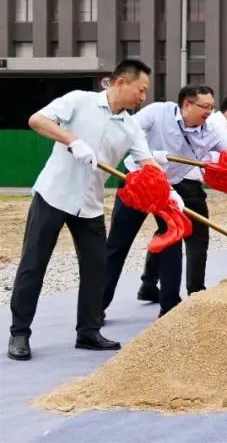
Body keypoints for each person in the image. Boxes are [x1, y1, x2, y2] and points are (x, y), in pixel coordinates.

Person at [102, 85, 227, 318]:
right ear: (187, 105)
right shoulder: (158, 112)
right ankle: (96, 309)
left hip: (170, 187)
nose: (209, 112)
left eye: (212, 107)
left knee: (173, 239)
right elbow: (128, 132)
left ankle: (170, 308)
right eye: (205, 107)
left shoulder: (211, 130)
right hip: (137, 181)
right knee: (118, 244)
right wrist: (149, 155)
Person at [8, 60, 157, 361]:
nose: (143, 97)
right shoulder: (79, 101)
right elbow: (37, 120)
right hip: (54, 195)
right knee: (34, 264)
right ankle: (19, 333)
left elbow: (148, 164)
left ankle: (88, 331)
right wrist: (72, 140)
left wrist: (169, 194)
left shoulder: (131, 127)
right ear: (120, 83)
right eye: (140, 90)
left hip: (89, 204)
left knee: (96, 268)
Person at [137, 91, 227, 303]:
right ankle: (196, 292)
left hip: (178, 181)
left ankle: (148, 283)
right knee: (197, 238)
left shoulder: (210, 123)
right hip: (185, 184)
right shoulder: (215, 126)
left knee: (167, 230)